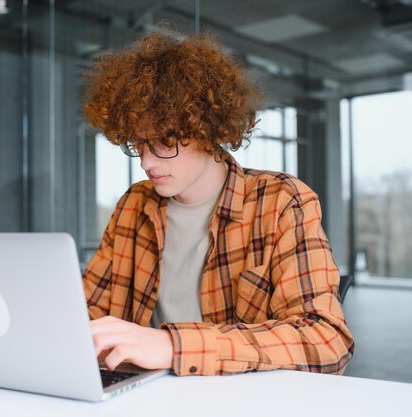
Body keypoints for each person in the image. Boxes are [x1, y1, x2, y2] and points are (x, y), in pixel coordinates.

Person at [81, 29, 354, 376]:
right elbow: (89, 313)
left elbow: (325, 339)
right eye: (139, 145)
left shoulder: (280, 201)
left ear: (208, 130)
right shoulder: (134, 205)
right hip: (145, 394)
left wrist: (173, 346)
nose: (147, 162)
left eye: (164, 143)